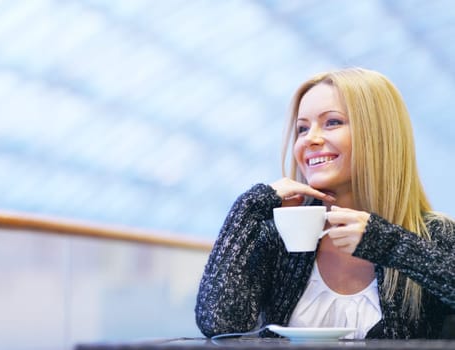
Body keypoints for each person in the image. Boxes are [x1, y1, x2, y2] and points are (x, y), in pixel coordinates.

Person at [195, 67, 455, 339]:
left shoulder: (436, 235)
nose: (310, 139)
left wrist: (389, 244)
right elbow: (219, 324)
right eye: (302, 128)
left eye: (332, 122)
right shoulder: (279, 236)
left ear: (379, 136)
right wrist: (248, 208)